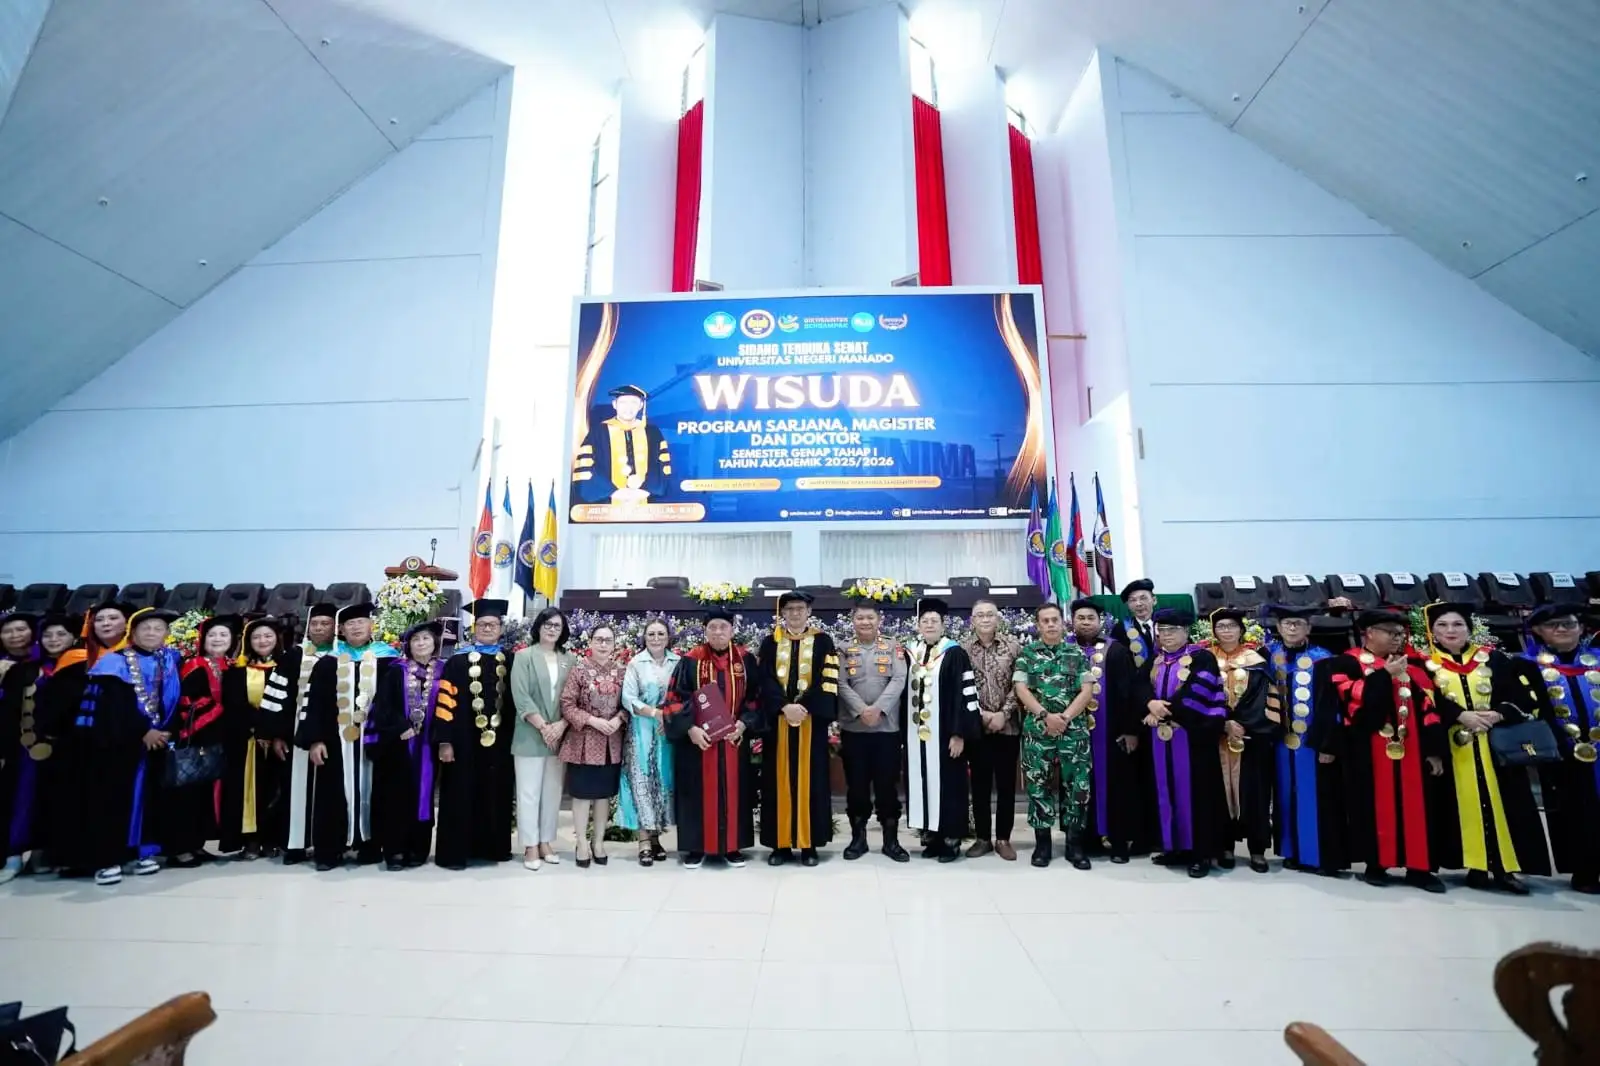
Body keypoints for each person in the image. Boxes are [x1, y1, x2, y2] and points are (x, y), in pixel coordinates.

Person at [1421, 602, 1550, 894]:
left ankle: (1505, 868)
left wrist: (1499, 713)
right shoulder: (1425, 664)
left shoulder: (1494, 659)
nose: (1450, 630)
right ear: (1432, 631)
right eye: (1442, 625)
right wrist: (1459, 715)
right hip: (1454, 747)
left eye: (1458, 624)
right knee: (1457, 807)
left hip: (1496, 746)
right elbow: (1426, 701)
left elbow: (1523, 696)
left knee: (1506, 804)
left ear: (1469, 629)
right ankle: (1475, 866)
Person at [1320, 609, 1449, 893]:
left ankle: (1420, 868)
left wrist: (1434, 750)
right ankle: (1376, 864)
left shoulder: (1415, 665)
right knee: (1372, 807)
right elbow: (1355, 707)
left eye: (1400, 633)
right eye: (1390, 632)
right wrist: (1384, 676)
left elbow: (1430, 709)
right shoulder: (1347, 662)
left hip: (1413, 750)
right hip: (1368, 750)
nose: (1397, 638)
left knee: (1420, 806)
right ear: (1369, 633)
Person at [77, 607, 184, 886]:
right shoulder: (114, 664)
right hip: (119, 746)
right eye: (145, 628)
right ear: (132, 633)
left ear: (166, 634)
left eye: (158, 628)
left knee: (149, 799)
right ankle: (108, 859)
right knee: (113, 800)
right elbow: (113, 708)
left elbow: (173, 700)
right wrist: (143, 731)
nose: (152, 633)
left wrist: (166, 731)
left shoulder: (168, 660)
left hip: (157, 743)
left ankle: (142, 851)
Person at [298, 602, 397, 870]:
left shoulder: (388, 659)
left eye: (361, 622)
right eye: (350, 624)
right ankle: (329, 851)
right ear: (341, 630)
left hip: (375, 740)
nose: (356, 627)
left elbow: (395, 702)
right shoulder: (328, 662)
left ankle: (370, 847)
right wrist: (315, 740)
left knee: (377, 792)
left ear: (371, 626)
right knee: (332, 795)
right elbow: (315, 704)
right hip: (334, 740)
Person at [663, 607, 761, 868]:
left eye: (723, 627)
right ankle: (696, 847)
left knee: (735, 791)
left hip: (733, 741)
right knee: (696, 792)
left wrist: (743, 724)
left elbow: (756, 698)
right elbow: (674, 699)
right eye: (712, 627)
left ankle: (732, 846)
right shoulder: (690, 660)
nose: (718, 632)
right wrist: (690, 730)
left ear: (732, 630)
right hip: (698, 744)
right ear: (705, 631)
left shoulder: (745, 660)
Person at [1139, 607, 1231, 878]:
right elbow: (1137, 685)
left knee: (1197, 795)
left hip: (1193, 740)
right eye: (1162, 630)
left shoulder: (1202, 658)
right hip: (1161, 741)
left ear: (1186, 631)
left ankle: (1201, 854)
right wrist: (1149, 702)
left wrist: (1162, 712)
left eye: (1172, 630)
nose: (1166, 635)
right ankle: (1173, 847)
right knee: (1165, 790)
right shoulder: (1156, 659)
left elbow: (1197, 693)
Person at [42, 602, 129, 879]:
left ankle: (114, 856)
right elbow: (55, 705)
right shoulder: (75, 658)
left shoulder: (134, 658)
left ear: (127, 624)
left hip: (120, 744)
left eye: (113, 618)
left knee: (114, 802)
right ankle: (76, 858)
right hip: (78, 745)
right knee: (77, 801)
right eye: (99, 619)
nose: (106, 624)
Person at [1521, 604, 1600, 893]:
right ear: (1538, 632)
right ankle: (1585, 871)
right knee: (1573, 811)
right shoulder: (1527, 666)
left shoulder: (1597, 660)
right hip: (1560, 751)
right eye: (1553, 625)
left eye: (1569, 624)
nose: (1562, 629)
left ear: (1582, 628)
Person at [1263, 605, 1347, 878]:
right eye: (1287, 623)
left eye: (1298, 623)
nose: (1292, 628)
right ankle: (1292, 851)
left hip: (1312, 743)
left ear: (1308, 628)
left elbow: (1331, 706)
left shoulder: (1323, 659)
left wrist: (1327, 744)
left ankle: (1321, 856)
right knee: (1285, 796)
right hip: (1280, 744)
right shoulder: (1270, 655)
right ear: (1278, 627)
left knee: (1318, 798)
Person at [756, 591, 839, 867]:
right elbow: (764, 680)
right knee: (776, 782)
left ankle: (808, 844)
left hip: (810, 723)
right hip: (778, 724)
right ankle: (779, 844)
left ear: (809, 611)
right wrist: (783, 707)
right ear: (782, 613)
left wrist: (802, 707)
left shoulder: (823, 641)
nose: (794, 613)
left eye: (800, 608)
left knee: (811, 782)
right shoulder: (770, 642)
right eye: (789, 608)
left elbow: (827, 679)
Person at [1013, 602, 1096, 868]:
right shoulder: (1027, 654)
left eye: (1054, 620)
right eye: (1045, 621)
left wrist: (1065, 718)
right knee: (1038, 786)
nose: (1050, 624)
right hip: (1039, 731)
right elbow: (1021, 689)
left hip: (1073, 731)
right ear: (1038, 625)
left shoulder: (1076, 652)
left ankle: (1075, 845)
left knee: (1078, 786)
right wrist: (1045, 716)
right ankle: (1043, 845)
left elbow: (1086, 690)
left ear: (1063, 623)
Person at [434, 599, 516, 870]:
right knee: (460, 793)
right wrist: (445, 741)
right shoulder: (457, 662)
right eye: (482, 624)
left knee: (496, 793)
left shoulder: (511, 659)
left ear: (501, 629)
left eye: (493, 624)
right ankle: (455, 853)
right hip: (463, 743)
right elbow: (445, 703)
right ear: (474, 627)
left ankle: (493, 849)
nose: (487, 628)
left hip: (500, 744)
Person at [1067, 598, 1146, 863]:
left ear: (1100, 621)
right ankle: (1084, 841)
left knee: (1117, 788)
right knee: (1077, 786)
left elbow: (1129, 693)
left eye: (1091, 618)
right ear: (1072, 621)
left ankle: (1119, 841)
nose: (1085, 623)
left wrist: (1131, 730)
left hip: (1111, 735)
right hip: (1073, 735)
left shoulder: (1116, 650)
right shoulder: (1064, 650)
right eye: (1080, 618)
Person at [902, 598, 981, 862]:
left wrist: (959, 734)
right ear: (918, 626)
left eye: (934, 621)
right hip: (917, 737)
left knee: (950, 785)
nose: (929, 625)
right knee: (922, 782)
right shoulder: (910, 653)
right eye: (924, 621)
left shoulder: (954, 653)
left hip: (946, 735)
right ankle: (932, 837)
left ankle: (951, 839)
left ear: (943, 625)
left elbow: (964, 695)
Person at [370, 621, 452, 870]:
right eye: (416, 640)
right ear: (408, 645)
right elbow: (383, 705)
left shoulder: (444, 670)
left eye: (426, 638)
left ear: (434, 642)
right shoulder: (397, 671)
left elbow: (451, 706)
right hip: (400, 745)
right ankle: (395, 850)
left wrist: (443, 737)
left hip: (429, 745)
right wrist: (399, 727)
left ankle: (419, 848)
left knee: (424, 795)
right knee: (397, 796)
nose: (421, 643)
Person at [261, 603, 337, 864]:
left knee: (328, 794)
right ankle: (294, 845)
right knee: (293, 791)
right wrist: (277, 735)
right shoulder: (294, 656)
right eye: (314, 624)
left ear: (335, 627)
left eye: (325, 624)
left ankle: (327, 844)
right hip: (294, 737)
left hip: (332, 737)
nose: (319, 628)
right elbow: (277, 697)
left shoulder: (343, 657)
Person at [162, 615, 239, 867]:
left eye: (223, 635)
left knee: (205, 794)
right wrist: (220, 710)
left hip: (219, 739)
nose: (218, 639)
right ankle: (180, 848)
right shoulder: (194, 665)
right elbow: (187, 702)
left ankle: (197, 843)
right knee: (187, 793)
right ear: (203, 640)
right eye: (212, 635)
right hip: (196, 737)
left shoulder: (230, 665)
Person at [836, 602, 909, 862]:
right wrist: (861, 710)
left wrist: (878, 709)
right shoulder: (843, 649)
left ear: (879, 620)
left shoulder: (893, 647)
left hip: (886, 730)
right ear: (852, 621)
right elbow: (840, 682)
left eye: (870, 618)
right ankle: (858, 839)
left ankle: (891, 841)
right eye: (860, 618)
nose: (865, 622)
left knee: (887, 786)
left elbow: (899, 680)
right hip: (854, 730)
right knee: (856, 787)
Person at [1207, 608, 1276, 873]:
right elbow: (1201, 694)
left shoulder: (1256, 661)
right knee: (1219, 794)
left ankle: (1257, 849)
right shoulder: (1206, 659)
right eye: (1221, 626)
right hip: (1216, 738)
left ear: (1241, 630)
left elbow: (1262, 697)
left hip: (1250, 738)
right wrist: (1223, 722)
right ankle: (1225, 846)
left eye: (1231, 626)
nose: (1226, 631)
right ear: (1214, 631)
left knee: (1254, 793)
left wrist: (1241, 724)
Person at [559, 624, 629, 868]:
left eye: (608, 640)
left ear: (614, 644)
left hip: (611, 742)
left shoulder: (622, 671)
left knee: (603, 796)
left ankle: (598, 842)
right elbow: (567, 705)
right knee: (581, 795)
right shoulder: (578, 670)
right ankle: (581, 843)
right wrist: (593, 721)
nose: (603, 644)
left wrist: (619, 719)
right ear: (590, 643)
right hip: (583, 742)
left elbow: (629, 703)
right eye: (599, 639)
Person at [509, 607, 574, 870]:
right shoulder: (524, 656)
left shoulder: (570, 659)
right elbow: (521, 696)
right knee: (528, 793)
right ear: (538, 627)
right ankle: (530, 845)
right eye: (547, 624)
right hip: (530, 734)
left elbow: (575, 697)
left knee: (552, 793)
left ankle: (546, 841)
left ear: (563, 630)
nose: (552, 629)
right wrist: (544, 727)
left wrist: (561, 725)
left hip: (559, 735)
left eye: (557, 625)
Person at [219, 616, 287, 858]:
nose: (262, 640)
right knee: (249, 791)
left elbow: (289, 705)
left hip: (279, 741)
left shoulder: (287, 667)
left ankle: (273, 839)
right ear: (249, 641)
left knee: (277, 789)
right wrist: (258, 731)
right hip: (247, 741)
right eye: (256, 637)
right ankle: (251, 840)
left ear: (277, 639)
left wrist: (275, 733)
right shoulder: (237, 672)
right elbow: (234, 706)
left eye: (268, 636)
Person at [961, 599, 1022, 861]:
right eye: (980, 615)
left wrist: (1003, 714)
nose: (985, 619)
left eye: (990, 615)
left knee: (1006, 785)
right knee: (980, 785)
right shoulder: (962, 649)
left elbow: (1021, 684)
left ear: (998, 619)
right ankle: (983, 838)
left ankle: (1004, 838)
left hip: (1008, 727)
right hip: (978, 728)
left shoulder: (1013, 646)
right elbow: (960, 687)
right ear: (972, 620)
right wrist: (983, 715)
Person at [1, 613, 57, 882]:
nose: (14, 636)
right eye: (7, 631)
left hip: (41, 744)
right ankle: (11, 856)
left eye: (20, 629)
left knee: (41, 797)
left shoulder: (47, 665)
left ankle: (39, 854)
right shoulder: (4, 667)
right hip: (9, 744)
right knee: (11, 799)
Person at [619, 617, 678, 866]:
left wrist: (671, 717)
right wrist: (656, 714)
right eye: (651, 634)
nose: (655, 638)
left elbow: (685, 695)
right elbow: (628, 698)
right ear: (644, 637)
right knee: (641, 782)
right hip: (642, 732)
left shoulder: (677, 662)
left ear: (668, 637)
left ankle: (655, 839)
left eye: (660, 634)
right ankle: (643, 841)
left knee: (661, 783)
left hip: (668, 734)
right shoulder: (636, 663)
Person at [572, 383, 675, 504]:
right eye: (623, 402)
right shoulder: (598, 432)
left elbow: (660, 465)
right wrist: (613, 492)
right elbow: (587, 466)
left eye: (634, 403)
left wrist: (646, 490)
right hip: (608, 503)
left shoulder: (652, 433)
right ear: (614, 405)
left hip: (646, 501)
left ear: (641, 405)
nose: (628, 408)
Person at [1114, 579, 1157, 669]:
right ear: (1128, 605)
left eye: (1143, 598)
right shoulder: (1121, 629)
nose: (1138, 604)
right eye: (1132, 600)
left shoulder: (1167, 625)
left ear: (1154, 600)